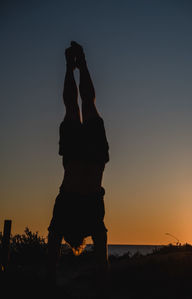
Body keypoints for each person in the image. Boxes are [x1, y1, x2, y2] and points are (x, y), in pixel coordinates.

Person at [47, 41, 110, 285]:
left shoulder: (72, 220)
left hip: (88, 160)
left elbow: (54, 248)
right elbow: (54, 246)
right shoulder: (80, 221)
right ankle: (76, 63)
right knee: (79, 105)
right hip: (83, 158)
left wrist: (50, 278)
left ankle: (74, 64)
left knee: (80, 105)